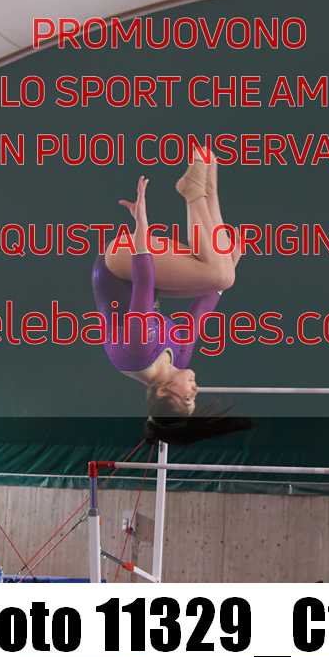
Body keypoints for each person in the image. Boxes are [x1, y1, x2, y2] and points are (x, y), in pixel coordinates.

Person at [92, 151, 251, 444]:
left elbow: (144, 281)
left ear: (164, 391)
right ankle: (206, 189)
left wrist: (141, 222)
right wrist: (232, 264)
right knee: (223, 272)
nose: (195, 392)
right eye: (194, 400)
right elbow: (202, 309)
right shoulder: (179, 357)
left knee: (221, 275)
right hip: (142, 278)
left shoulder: (138, 351)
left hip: (118, 265)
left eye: (187, 398)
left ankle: (194, 191)